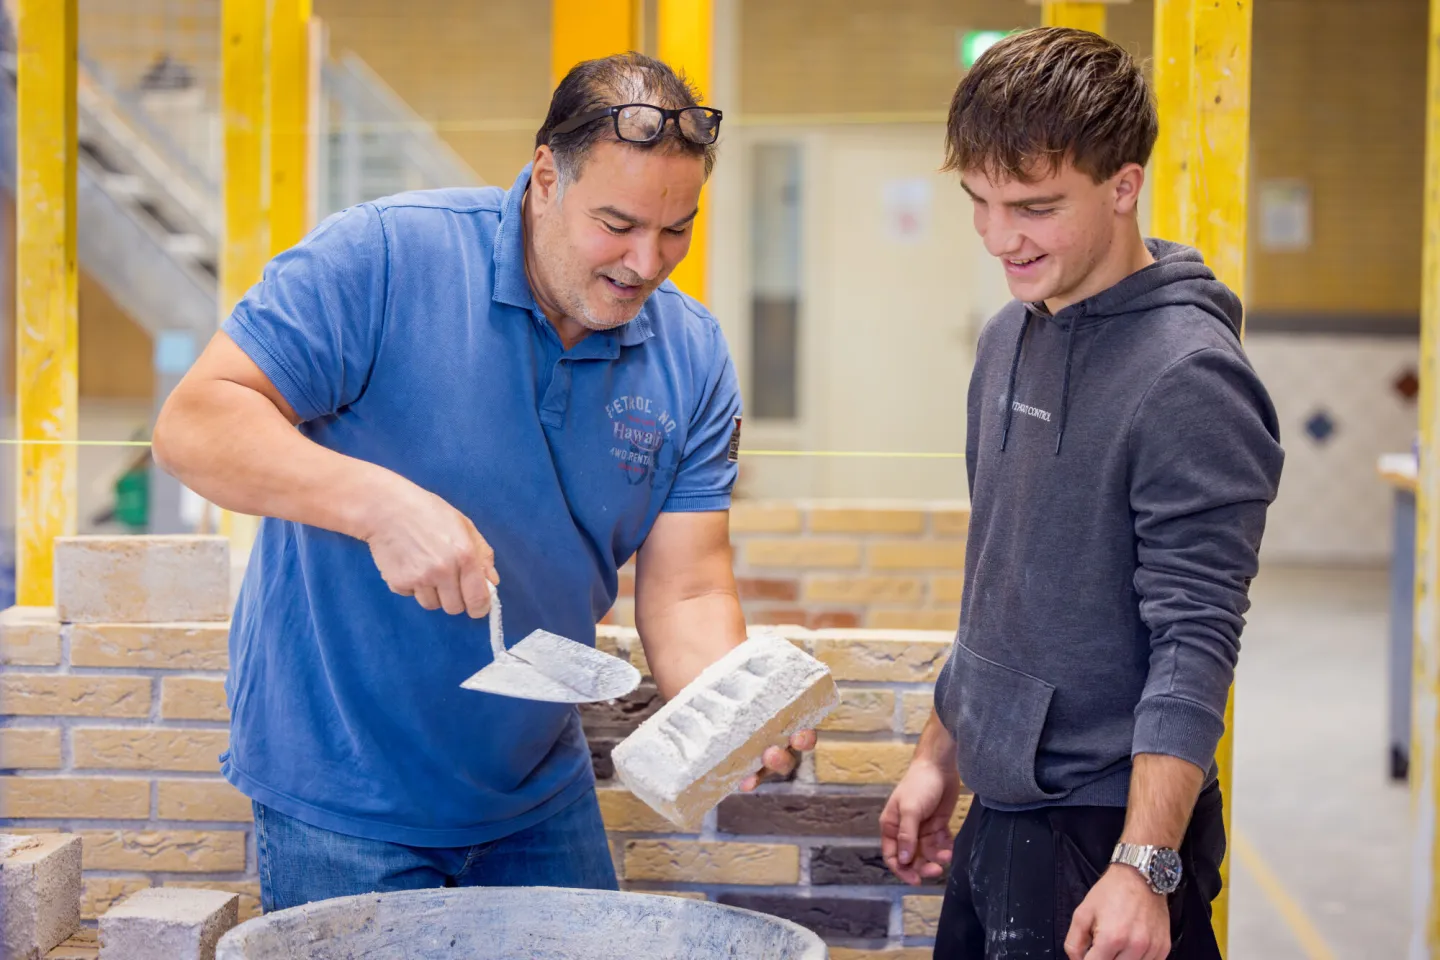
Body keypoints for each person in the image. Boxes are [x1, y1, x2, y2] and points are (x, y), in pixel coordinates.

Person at [153, 52, 814, 913]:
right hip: (342, 786)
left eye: (676, 230)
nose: (646, 262)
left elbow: (688, 594)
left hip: (536, 790)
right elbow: (194, 424)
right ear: (545, 176)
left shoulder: (691, 355)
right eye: (616, 223)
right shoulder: (385, 258)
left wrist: (737, 710)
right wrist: (381, 503)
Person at [878, 28, 1284, 960]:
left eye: (1034, 206)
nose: (998, 237)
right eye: (979, 202)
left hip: (1107, 832)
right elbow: (999, 587)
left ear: (1123, 185)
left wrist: (1145, 867)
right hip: (1005, 809)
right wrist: (942, 753)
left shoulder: (1191, 378)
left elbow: (1196, 641)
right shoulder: (1008, 337)